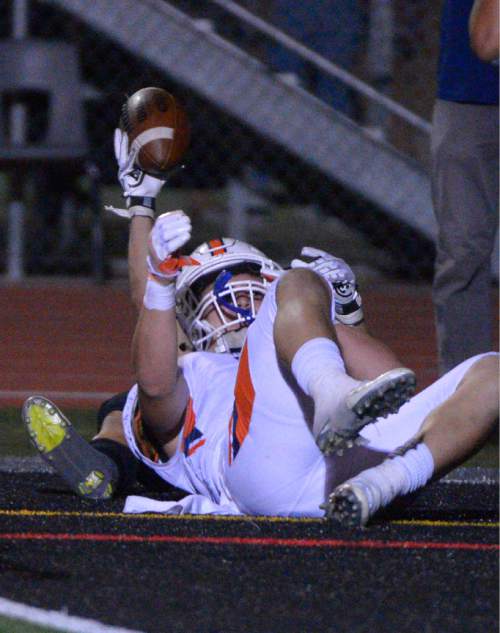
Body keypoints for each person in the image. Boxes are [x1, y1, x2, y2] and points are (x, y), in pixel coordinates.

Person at [23, 129, 498, 527]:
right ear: (188, 317)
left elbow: (394, 382)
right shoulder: (192, 366)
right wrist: (160, 277)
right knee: (125, 407)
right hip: (263, 471)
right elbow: (152, 377)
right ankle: (108, 458)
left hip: (353, 471)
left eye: (254, 284)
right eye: (221, 288)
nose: (242, 297)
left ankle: (391, 480)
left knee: (492, 371)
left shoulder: (300, 332)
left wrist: (342, 311)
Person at [431, 0, 499, 376]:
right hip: (468, 96)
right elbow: (487, 40)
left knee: (462, 254)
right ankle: (463, 390)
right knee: (463, 252)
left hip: (466, 96)